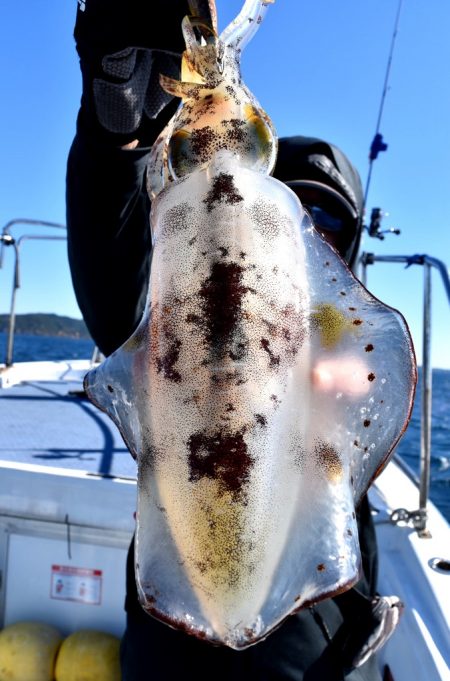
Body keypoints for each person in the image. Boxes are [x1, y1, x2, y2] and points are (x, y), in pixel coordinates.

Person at [66, 2, 400, 679]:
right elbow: (119, 301)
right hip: (174, 623)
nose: (314, 227)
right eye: (299, 204)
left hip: (317, 634)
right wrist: (115, 138)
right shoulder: (190, 305)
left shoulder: (339, 338)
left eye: (329, 216)